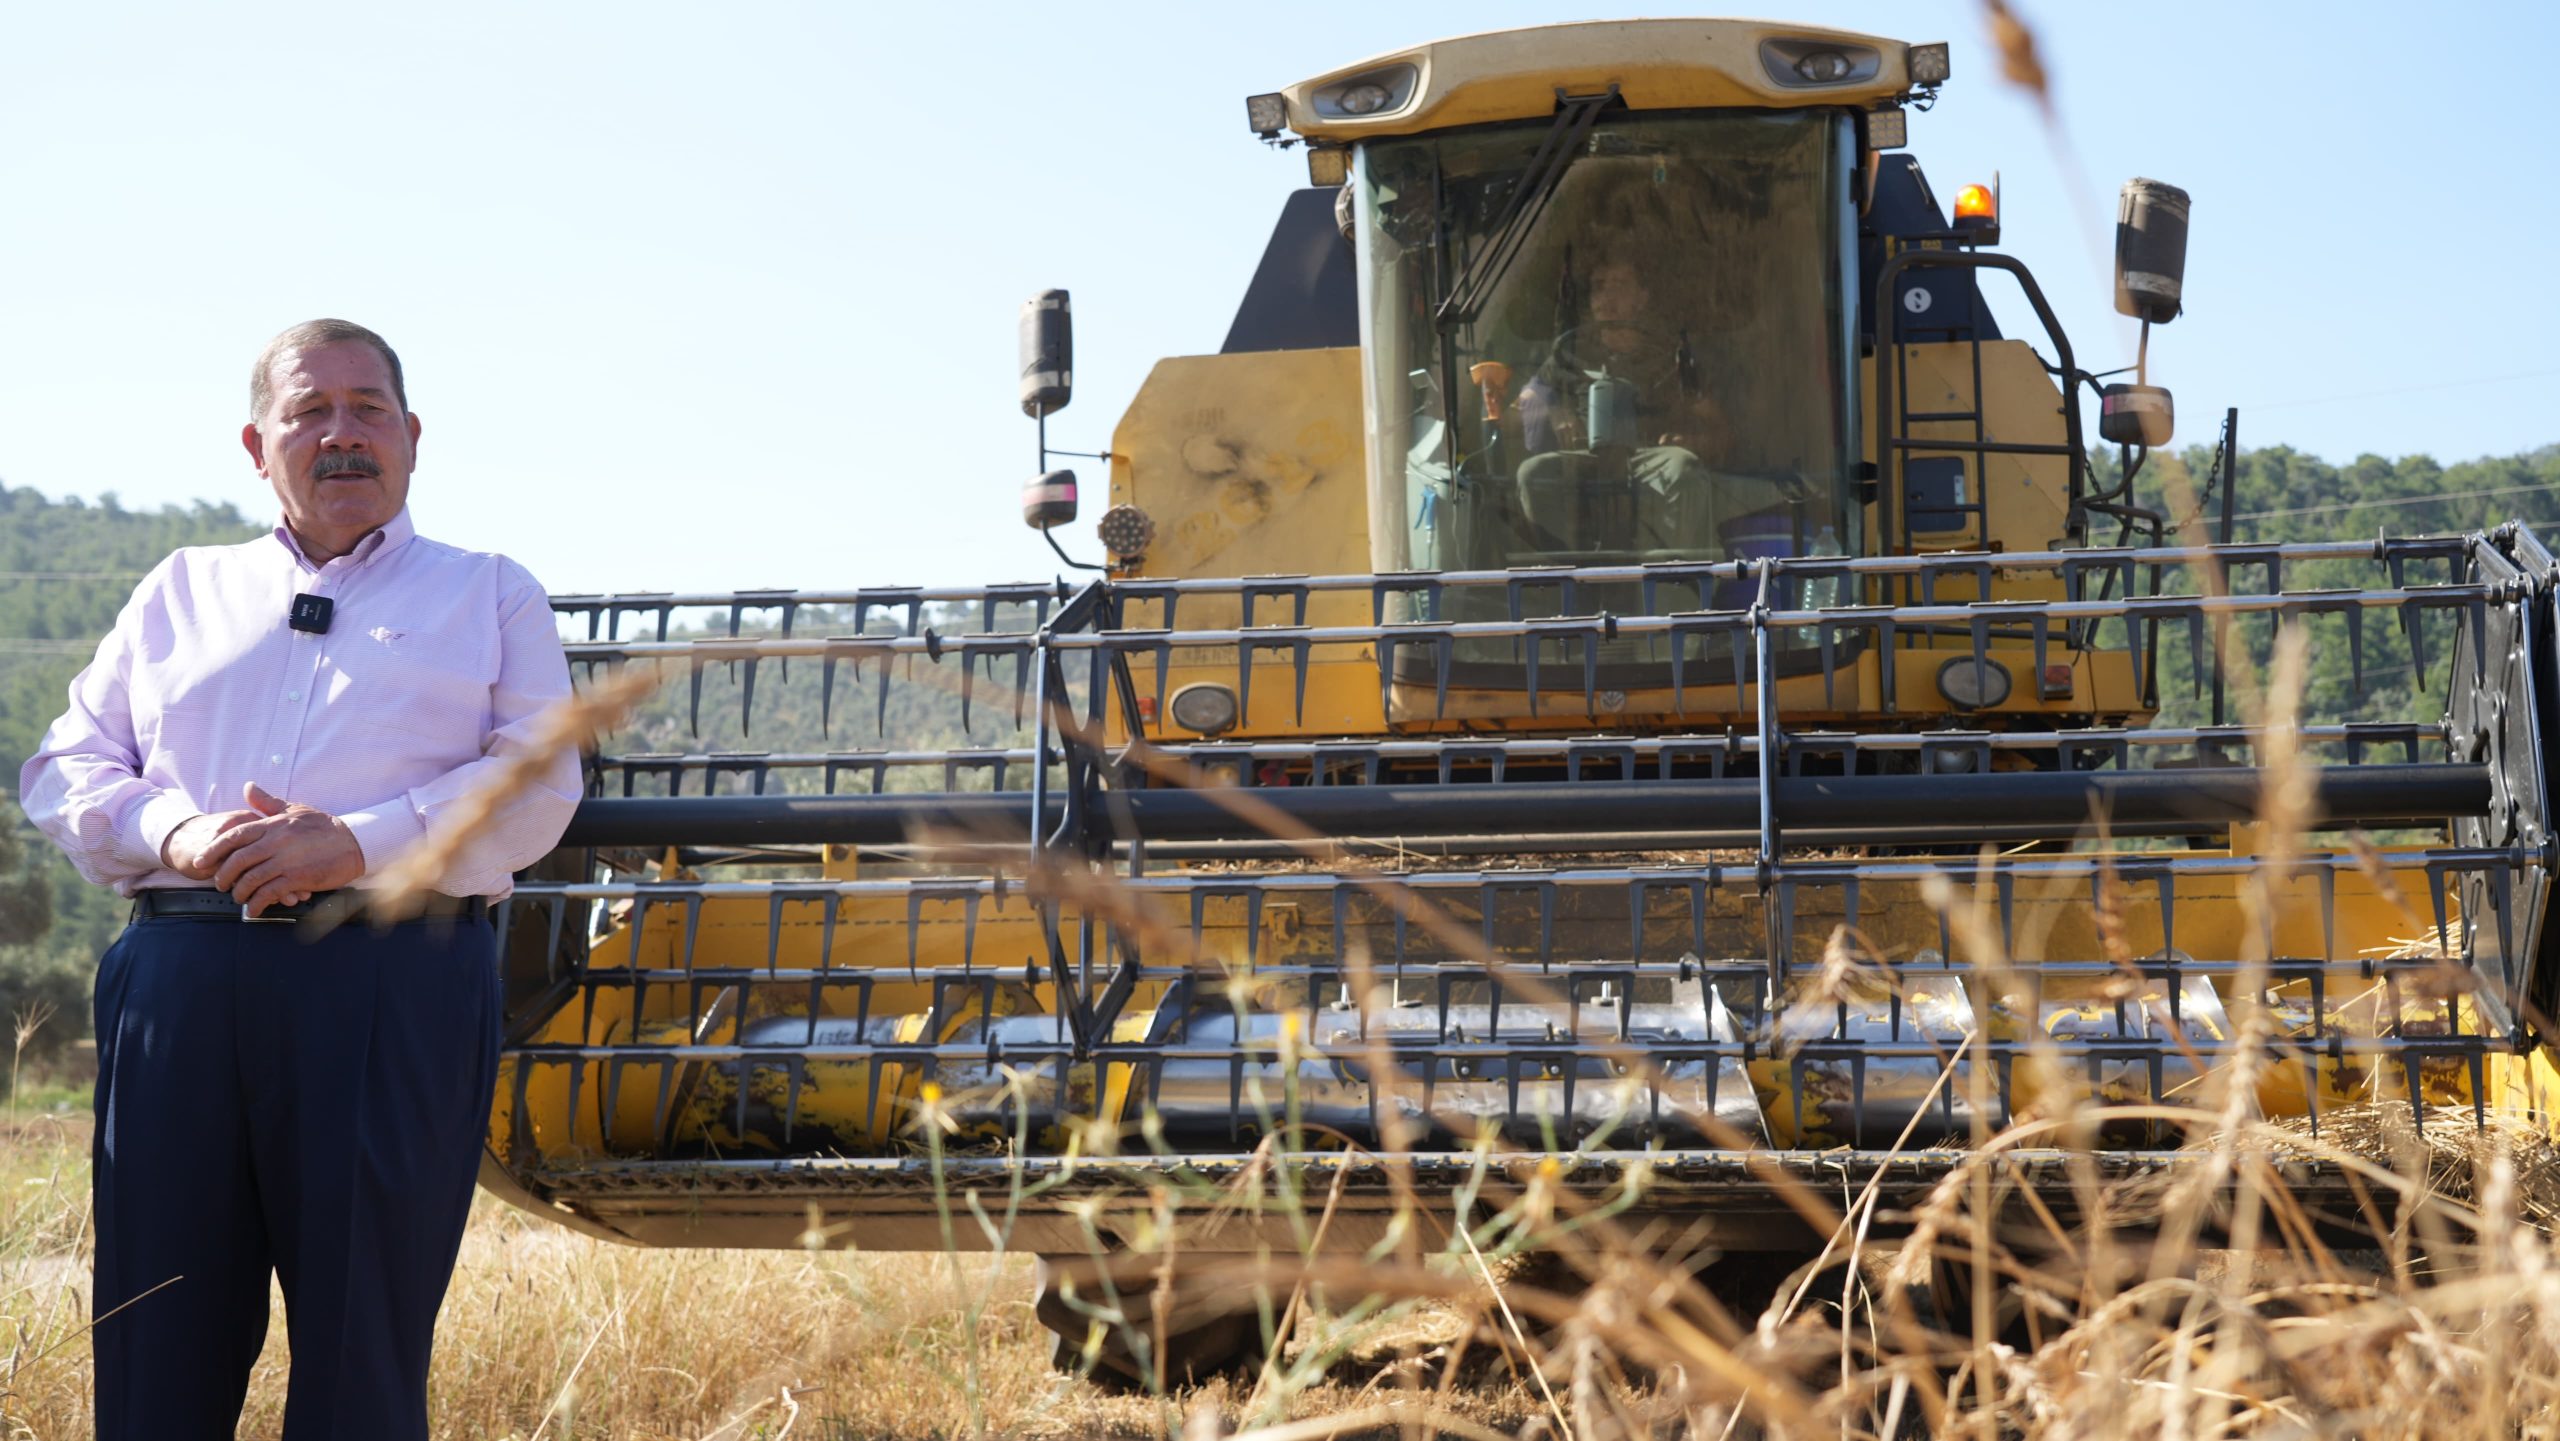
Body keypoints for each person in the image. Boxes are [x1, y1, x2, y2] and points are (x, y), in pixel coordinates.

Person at [17, 319, 584, 1439]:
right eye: (308, 411)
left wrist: (360, 840)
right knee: (154, 1346)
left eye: (368, 409)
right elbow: (66, 764)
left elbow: (538, 785)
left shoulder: (491, 595)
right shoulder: (181, 587)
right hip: (180, 977)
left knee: (359, 1358)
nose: (341, 434)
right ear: (255, 442)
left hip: (393, 975)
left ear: (413, 436)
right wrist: (175, 828)